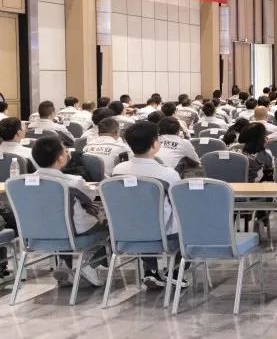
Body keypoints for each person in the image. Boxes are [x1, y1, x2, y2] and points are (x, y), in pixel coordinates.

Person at [111, 121, 186, 289]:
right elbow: (179, 204)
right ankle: (175, 273)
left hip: (125, 234)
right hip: (163, 238)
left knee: (141, 215)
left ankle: (150, 270)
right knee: (182, 222)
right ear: (154, 144)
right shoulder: (168, 174)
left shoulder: (118, 171)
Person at [30, 136, 108, 287]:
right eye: (65, 151)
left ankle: (64, 264)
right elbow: (91, 197)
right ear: (60, 159)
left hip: (36, 233)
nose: (67, 153)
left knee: (58, 221)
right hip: (74, 231)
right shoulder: (73, 182)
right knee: (111, 228)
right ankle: (90, 265)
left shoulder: (21, 183)